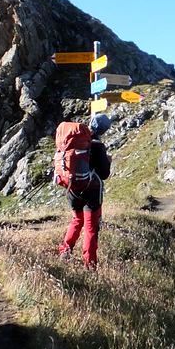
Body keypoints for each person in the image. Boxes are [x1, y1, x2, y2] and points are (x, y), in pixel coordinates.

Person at [58, 113, 112, 269]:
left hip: (72, 189)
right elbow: (104, 174)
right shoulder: (98, 146)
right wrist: (108, 161)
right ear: (103, 130)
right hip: (91, 193)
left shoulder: (75, 142)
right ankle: (89, 265)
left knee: (76, 220)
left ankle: (65, 251)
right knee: (91, 228)